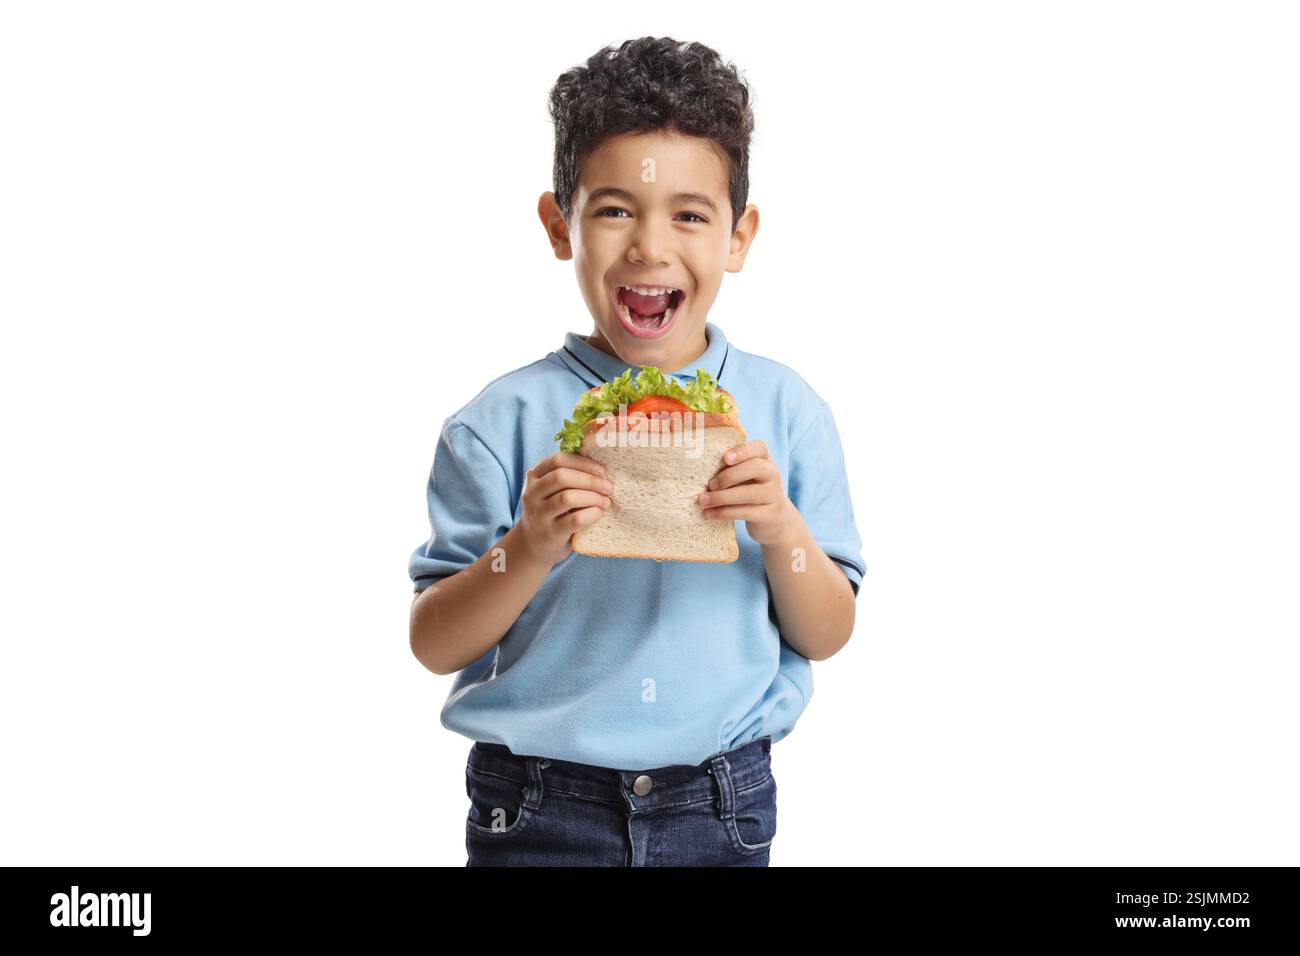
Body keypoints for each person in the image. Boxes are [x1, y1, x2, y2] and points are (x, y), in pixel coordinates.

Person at [408, 36, 866, 866]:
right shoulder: (496, 421)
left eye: (690, 214)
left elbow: (829, 631)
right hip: (537, 803)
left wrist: (781, 531)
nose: (651, 247)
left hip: (721, 804)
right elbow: (437, 643)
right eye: (614, 209)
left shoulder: (786, 412)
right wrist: (530, 546)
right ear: (560, 225)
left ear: (738, 236)